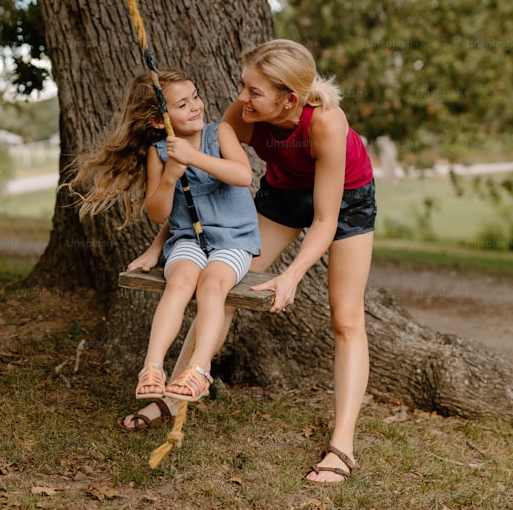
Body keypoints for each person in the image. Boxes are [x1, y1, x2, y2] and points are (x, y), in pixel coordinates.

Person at [126, 39, 377, 485]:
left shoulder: (325, 124)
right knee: (219, 284)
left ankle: (342, 447)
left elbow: (324, 219)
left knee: (346, 318)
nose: (241, 98)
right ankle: (176, 393)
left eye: (254, 91)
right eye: (243, 86)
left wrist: (292, 276)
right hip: (281, 196)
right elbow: (192, 191)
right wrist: (158, 244)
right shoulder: (241, 115)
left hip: (347, 201)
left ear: (290, 99)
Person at [68, 69, 260, 422]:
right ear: (159, 120)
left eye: (195, 97)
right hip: (188, 240)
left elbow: (242, 175)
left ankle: (199, 370)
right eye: (182, 104)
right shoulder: (159, 153)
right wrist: (171, 173)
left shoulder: (221, 133)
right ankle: (152, 367)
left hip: (234, 240)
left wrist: (193, 157)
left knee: (213, 285)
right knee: (180, 281)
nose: (195, 107)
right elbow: (159, 214)